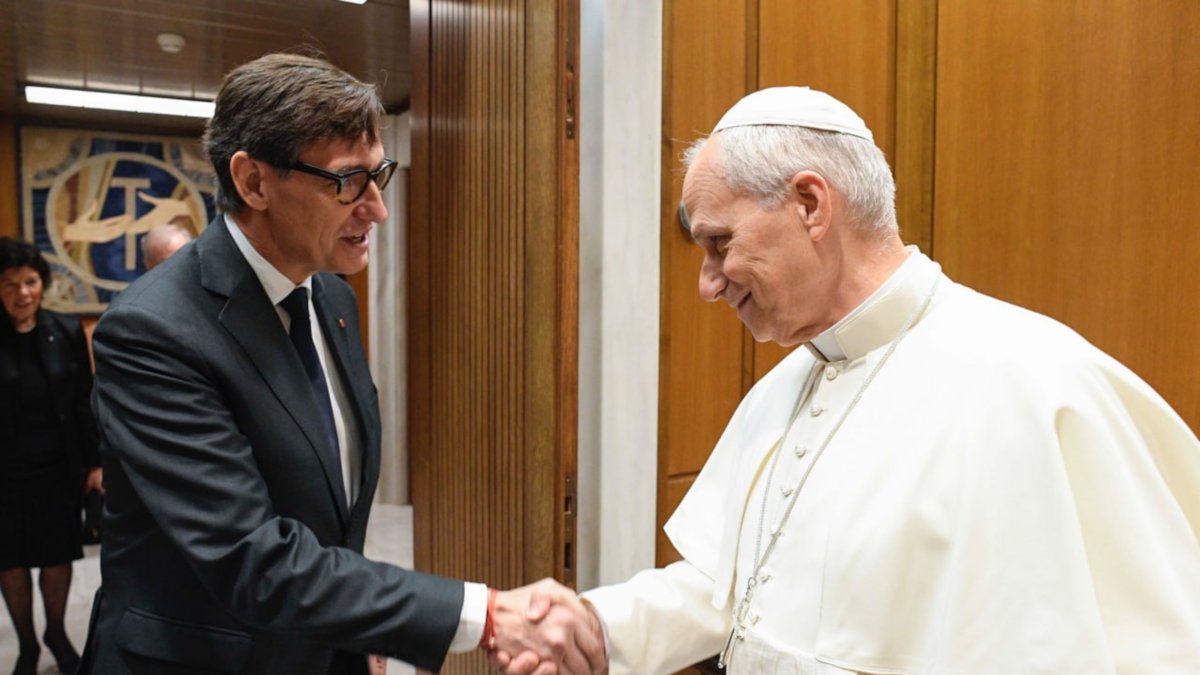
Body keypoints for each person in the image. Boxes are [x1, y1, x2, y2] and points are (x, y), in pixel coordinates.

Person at [502, 87, 1200, 674]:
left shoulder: (1038, 382)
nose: (708, 284)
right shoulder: (789, 382)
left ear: (810, 203)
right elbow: (734, 589)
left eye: (720, 244)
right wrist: (596, 626)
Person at [78, 54, 604, 675]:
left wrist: (360, 629)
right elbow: (251, 558)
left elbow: (329, 502)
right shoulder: (152, 331)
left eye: (379, 174)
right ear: (253, 182)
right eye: (347, 181)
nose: (377, 209)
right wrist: (484, 614)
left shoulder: (329, 294)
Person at [0, 237, 102, 675]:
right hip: (4, 474)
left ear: (42, 283)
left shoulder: (65, 331)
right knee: (10, 561)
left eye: (29, 282)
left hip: (57, 468)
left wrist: (95, 463)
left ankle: (56, 634)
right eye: (9, 284)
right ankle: (26, 644)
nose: (22, 293)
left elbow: (83, 401)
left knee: (57, 555)